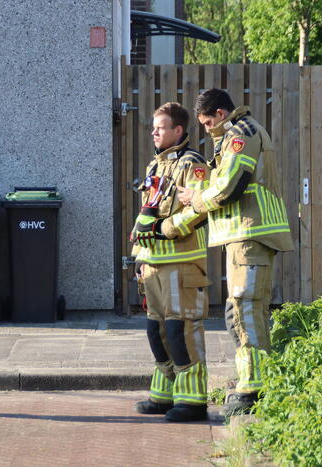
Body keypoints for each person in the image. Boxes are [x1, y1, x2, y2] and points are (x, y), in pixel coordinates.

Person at [177, 89, 294, 416]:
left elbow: (230, 185)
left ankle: (255, 389)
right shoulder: (240, 132)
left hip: (251, 232)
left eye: (207, 122)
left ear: (220, 113)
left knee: (243, 309)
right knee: (244, 309)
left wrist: (196, 200)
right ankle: (252, 381)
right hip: (245, 234)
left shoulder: (241, 134)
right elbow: (227, 181)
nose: (207, 130)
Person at [130, 102, 211, 422]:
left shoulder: (194, 164)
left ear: (178, 130)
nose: (154, 132)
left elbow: (202, 207)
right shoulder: (155, 165)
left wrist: (168, 229)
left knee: (181, 332)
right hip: (152, 264)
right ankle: (164, 396)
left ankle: (192, 401)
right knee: (157, 332)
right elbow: (145, 216)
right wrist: (139, 257)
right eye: (154, 127)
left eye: (160, 127)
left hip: (183, 263)